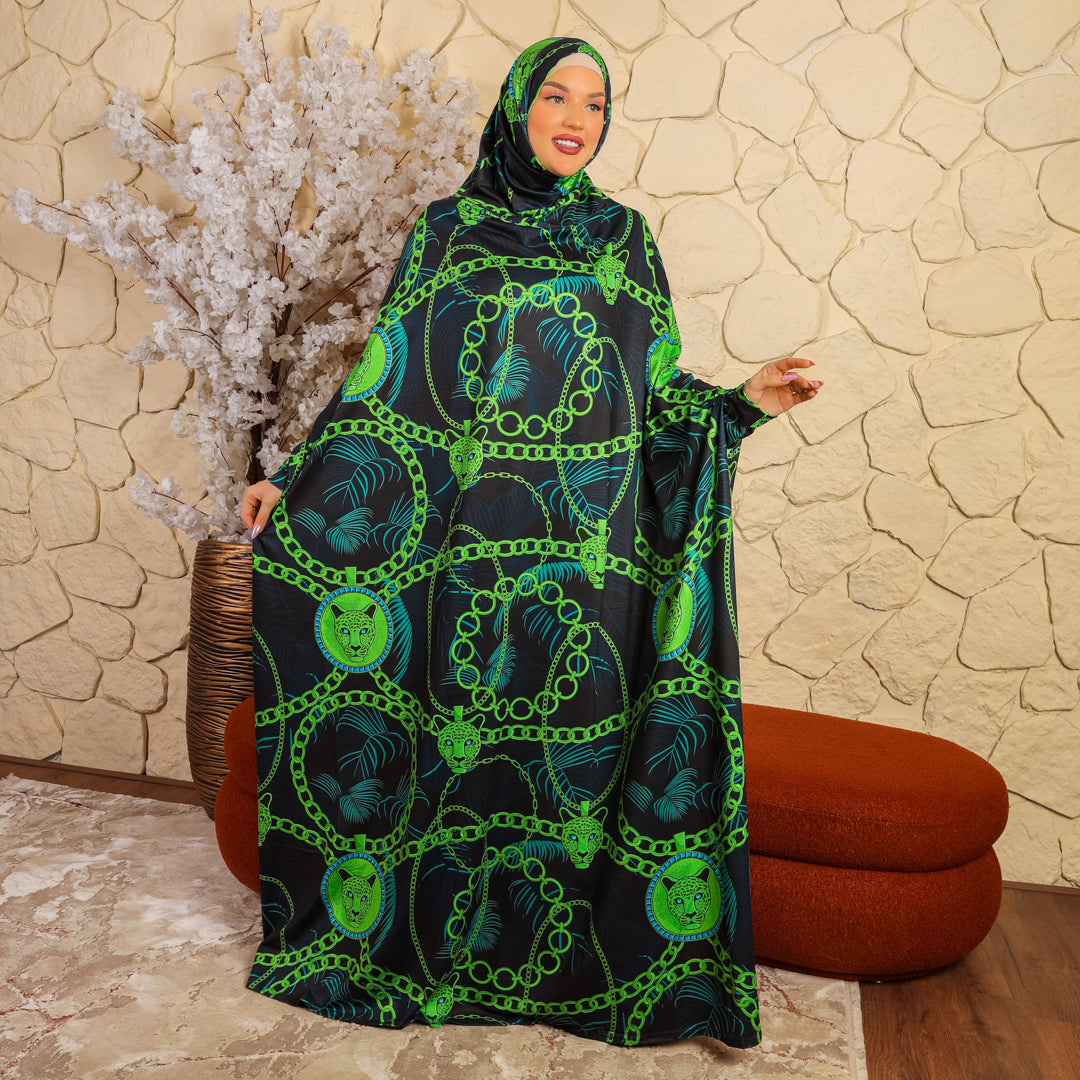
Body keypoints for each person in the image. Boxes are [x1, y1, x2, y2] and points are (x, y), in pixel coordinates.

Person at [240, 37, 820, 1049]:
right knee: (451, 747)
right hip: (461, 550)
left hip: (583, 555)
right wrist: (290, 480)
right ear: (517, 106)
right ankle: (425, 947)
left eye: (595, 104)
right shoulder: (448, 230)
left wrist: (741, 405)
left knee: (566, 762)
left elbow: (651, 396)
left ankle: (549, 968)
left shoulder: (623, 239)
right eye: (557, 95)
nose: (576, 118)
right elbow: (386, 376)